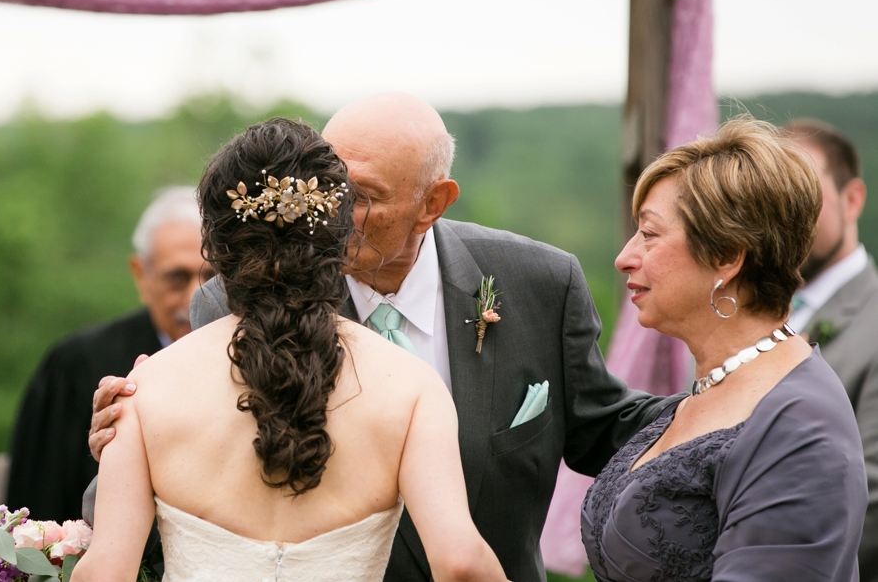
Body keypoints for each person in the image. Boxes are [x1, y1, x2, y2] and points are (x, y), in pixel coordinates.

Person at [88, 93, 675, 582]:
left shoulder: (539, 282)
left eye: (358, 198)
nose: (330, 216)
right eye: (325, 191)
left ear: (433, 203)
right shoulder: (224, 307)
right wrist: (120, 449)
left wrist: (741, 389)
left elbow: (606, 429)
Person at [71, 118, 509, 582]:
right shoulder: (412, 386)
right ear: (341, 237)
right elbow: (460, 563)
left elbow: (103, 573)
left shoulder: (145, 389)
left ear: (217, 247)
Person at [581, 117, 867, 581]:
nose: (624, 256)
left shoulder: (799, 424)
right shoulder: (713, 385)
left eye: (650, 234)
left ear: (728, 256)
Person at [6, 186, 206, 522]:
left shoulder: (253, 360)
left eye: (213, 278)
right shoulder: (75, 366)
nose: (195, 299)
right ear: (142, 276)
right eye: (177, 278)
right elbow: (38, 502)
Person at [784, 119, 878, 581]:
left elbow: (872, 504)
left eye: (802, 191)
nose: (784, 214)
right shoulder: (729, 318)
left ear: (852, 198)